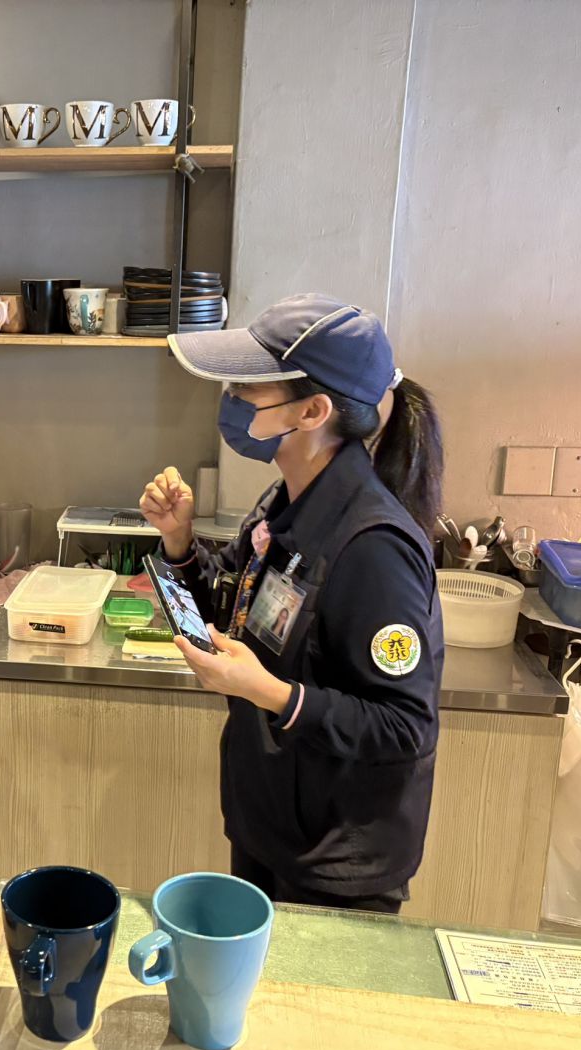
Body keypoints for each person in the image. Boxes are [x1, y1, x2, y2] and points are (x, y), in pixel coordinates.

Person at [140, 294, 444, 912]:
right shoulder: (287, 505)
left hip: (335, 867)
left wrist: (271, 693)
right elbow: (227, 623)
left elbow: (404, 726)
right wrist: (179, 545)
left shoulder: (372, 546)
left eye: (250, 387)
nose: (232, 399)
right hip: (271, 829)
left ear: (312, 411)